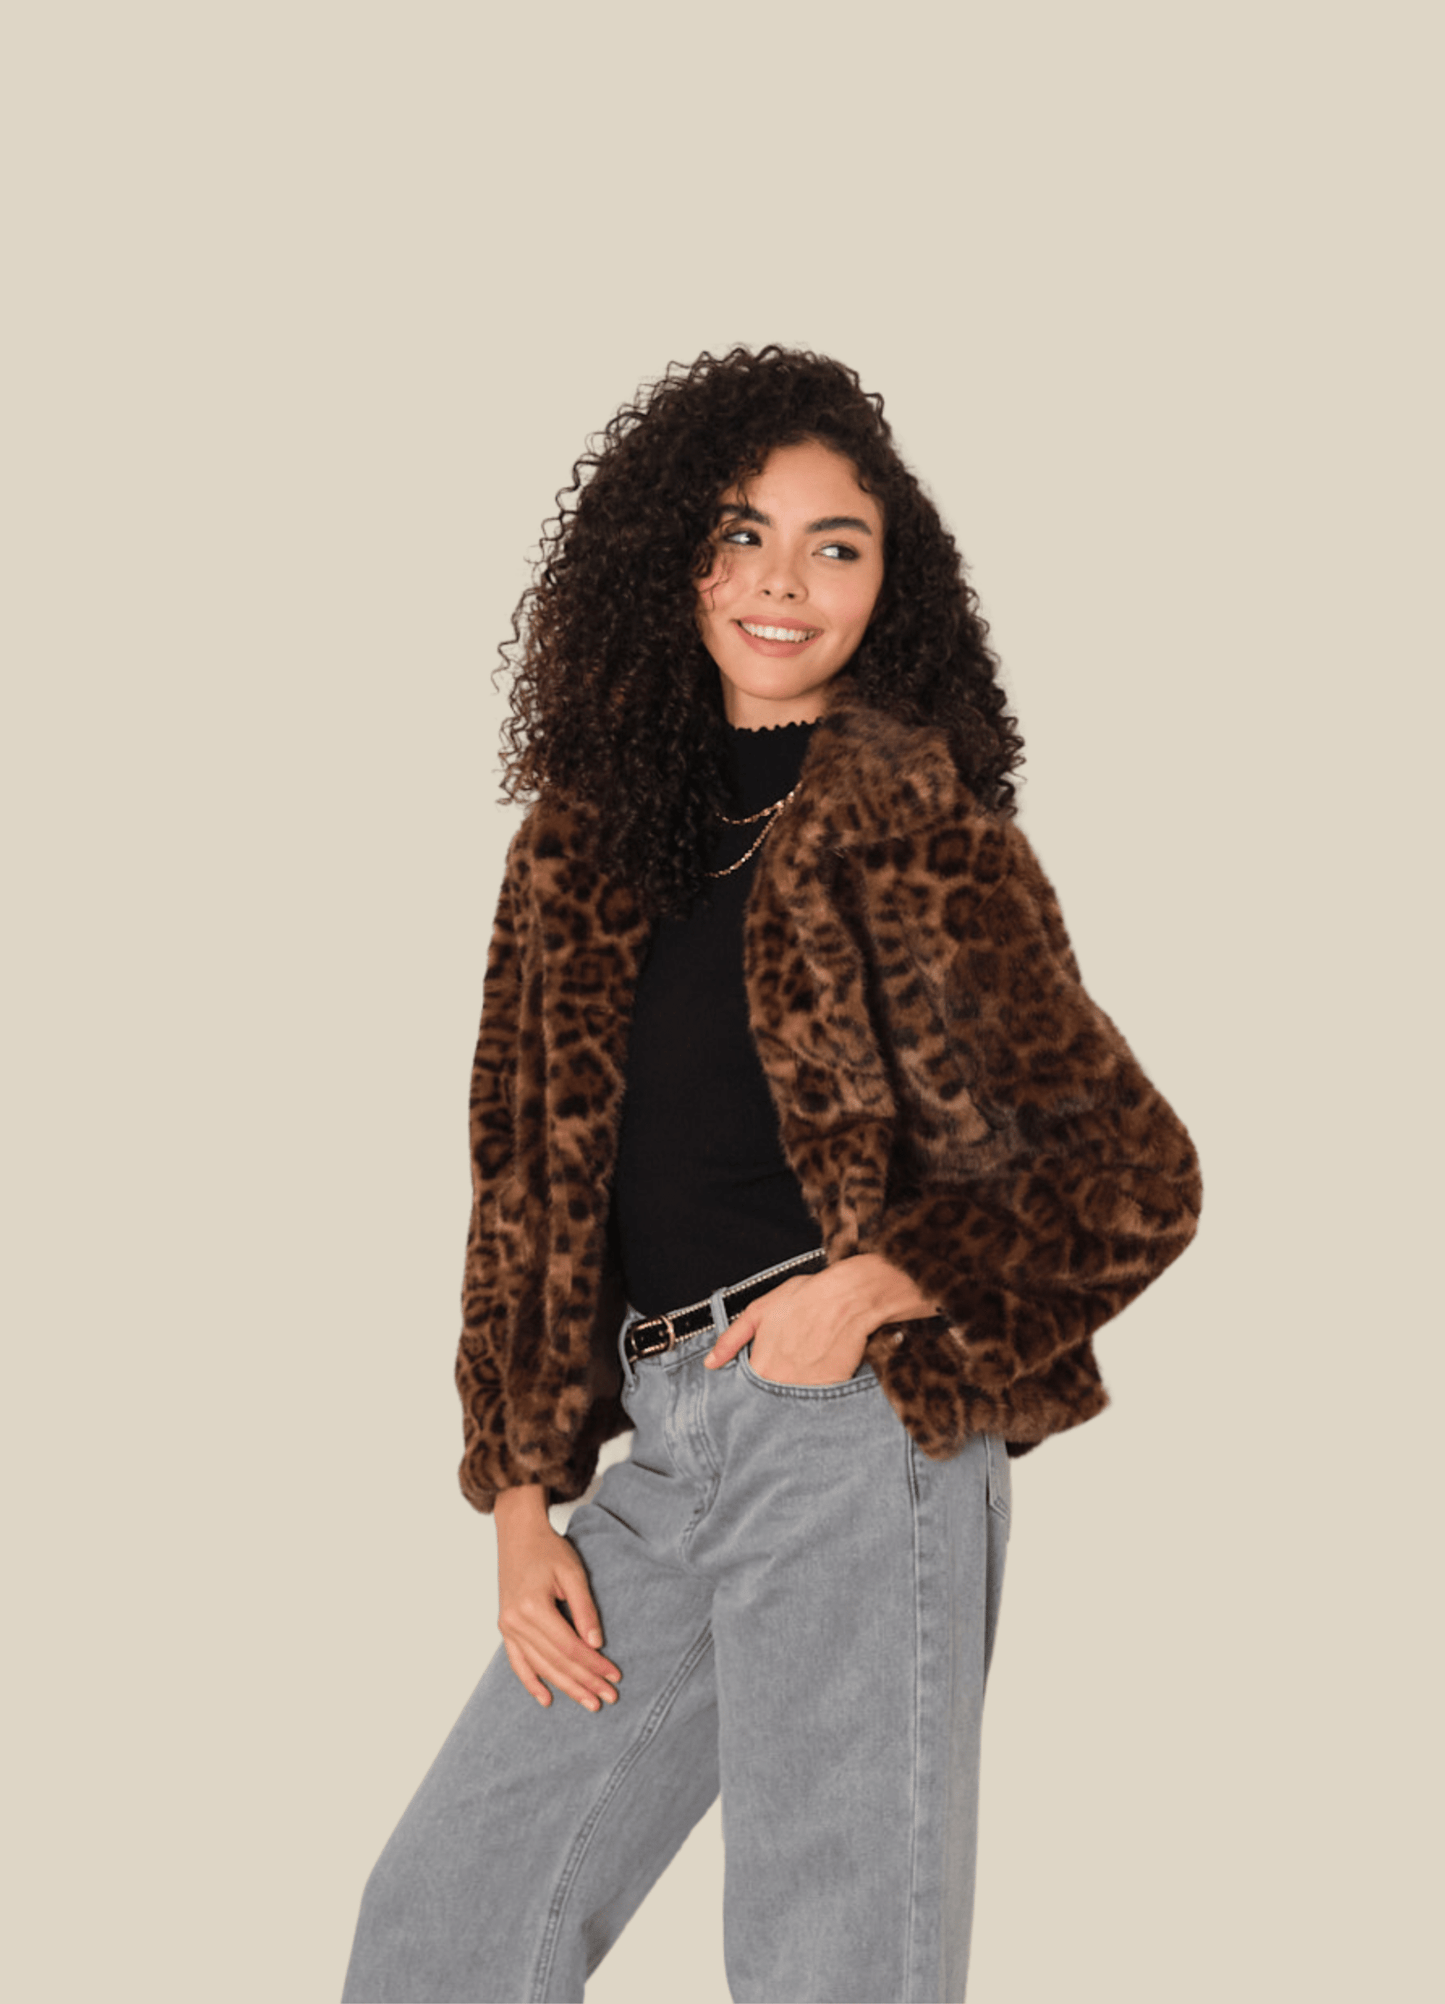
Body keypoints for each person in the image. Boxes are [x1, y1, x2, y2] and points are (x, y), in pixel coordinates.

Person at [341, 345, 1202, 2004]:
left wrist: (874, 1288)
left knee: (828, 1970)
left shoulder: (916, 830)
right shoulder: (580, 846)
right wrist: (521, 1507)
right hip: (661, 1454)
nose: (784, 583)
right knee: (443, 1920)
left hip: (854, 1433)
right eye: (743, 535)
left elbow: (1132, 1173)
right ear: (674, 557)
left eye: (835, 545)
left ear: (890, 584)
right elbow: (522, 1194)